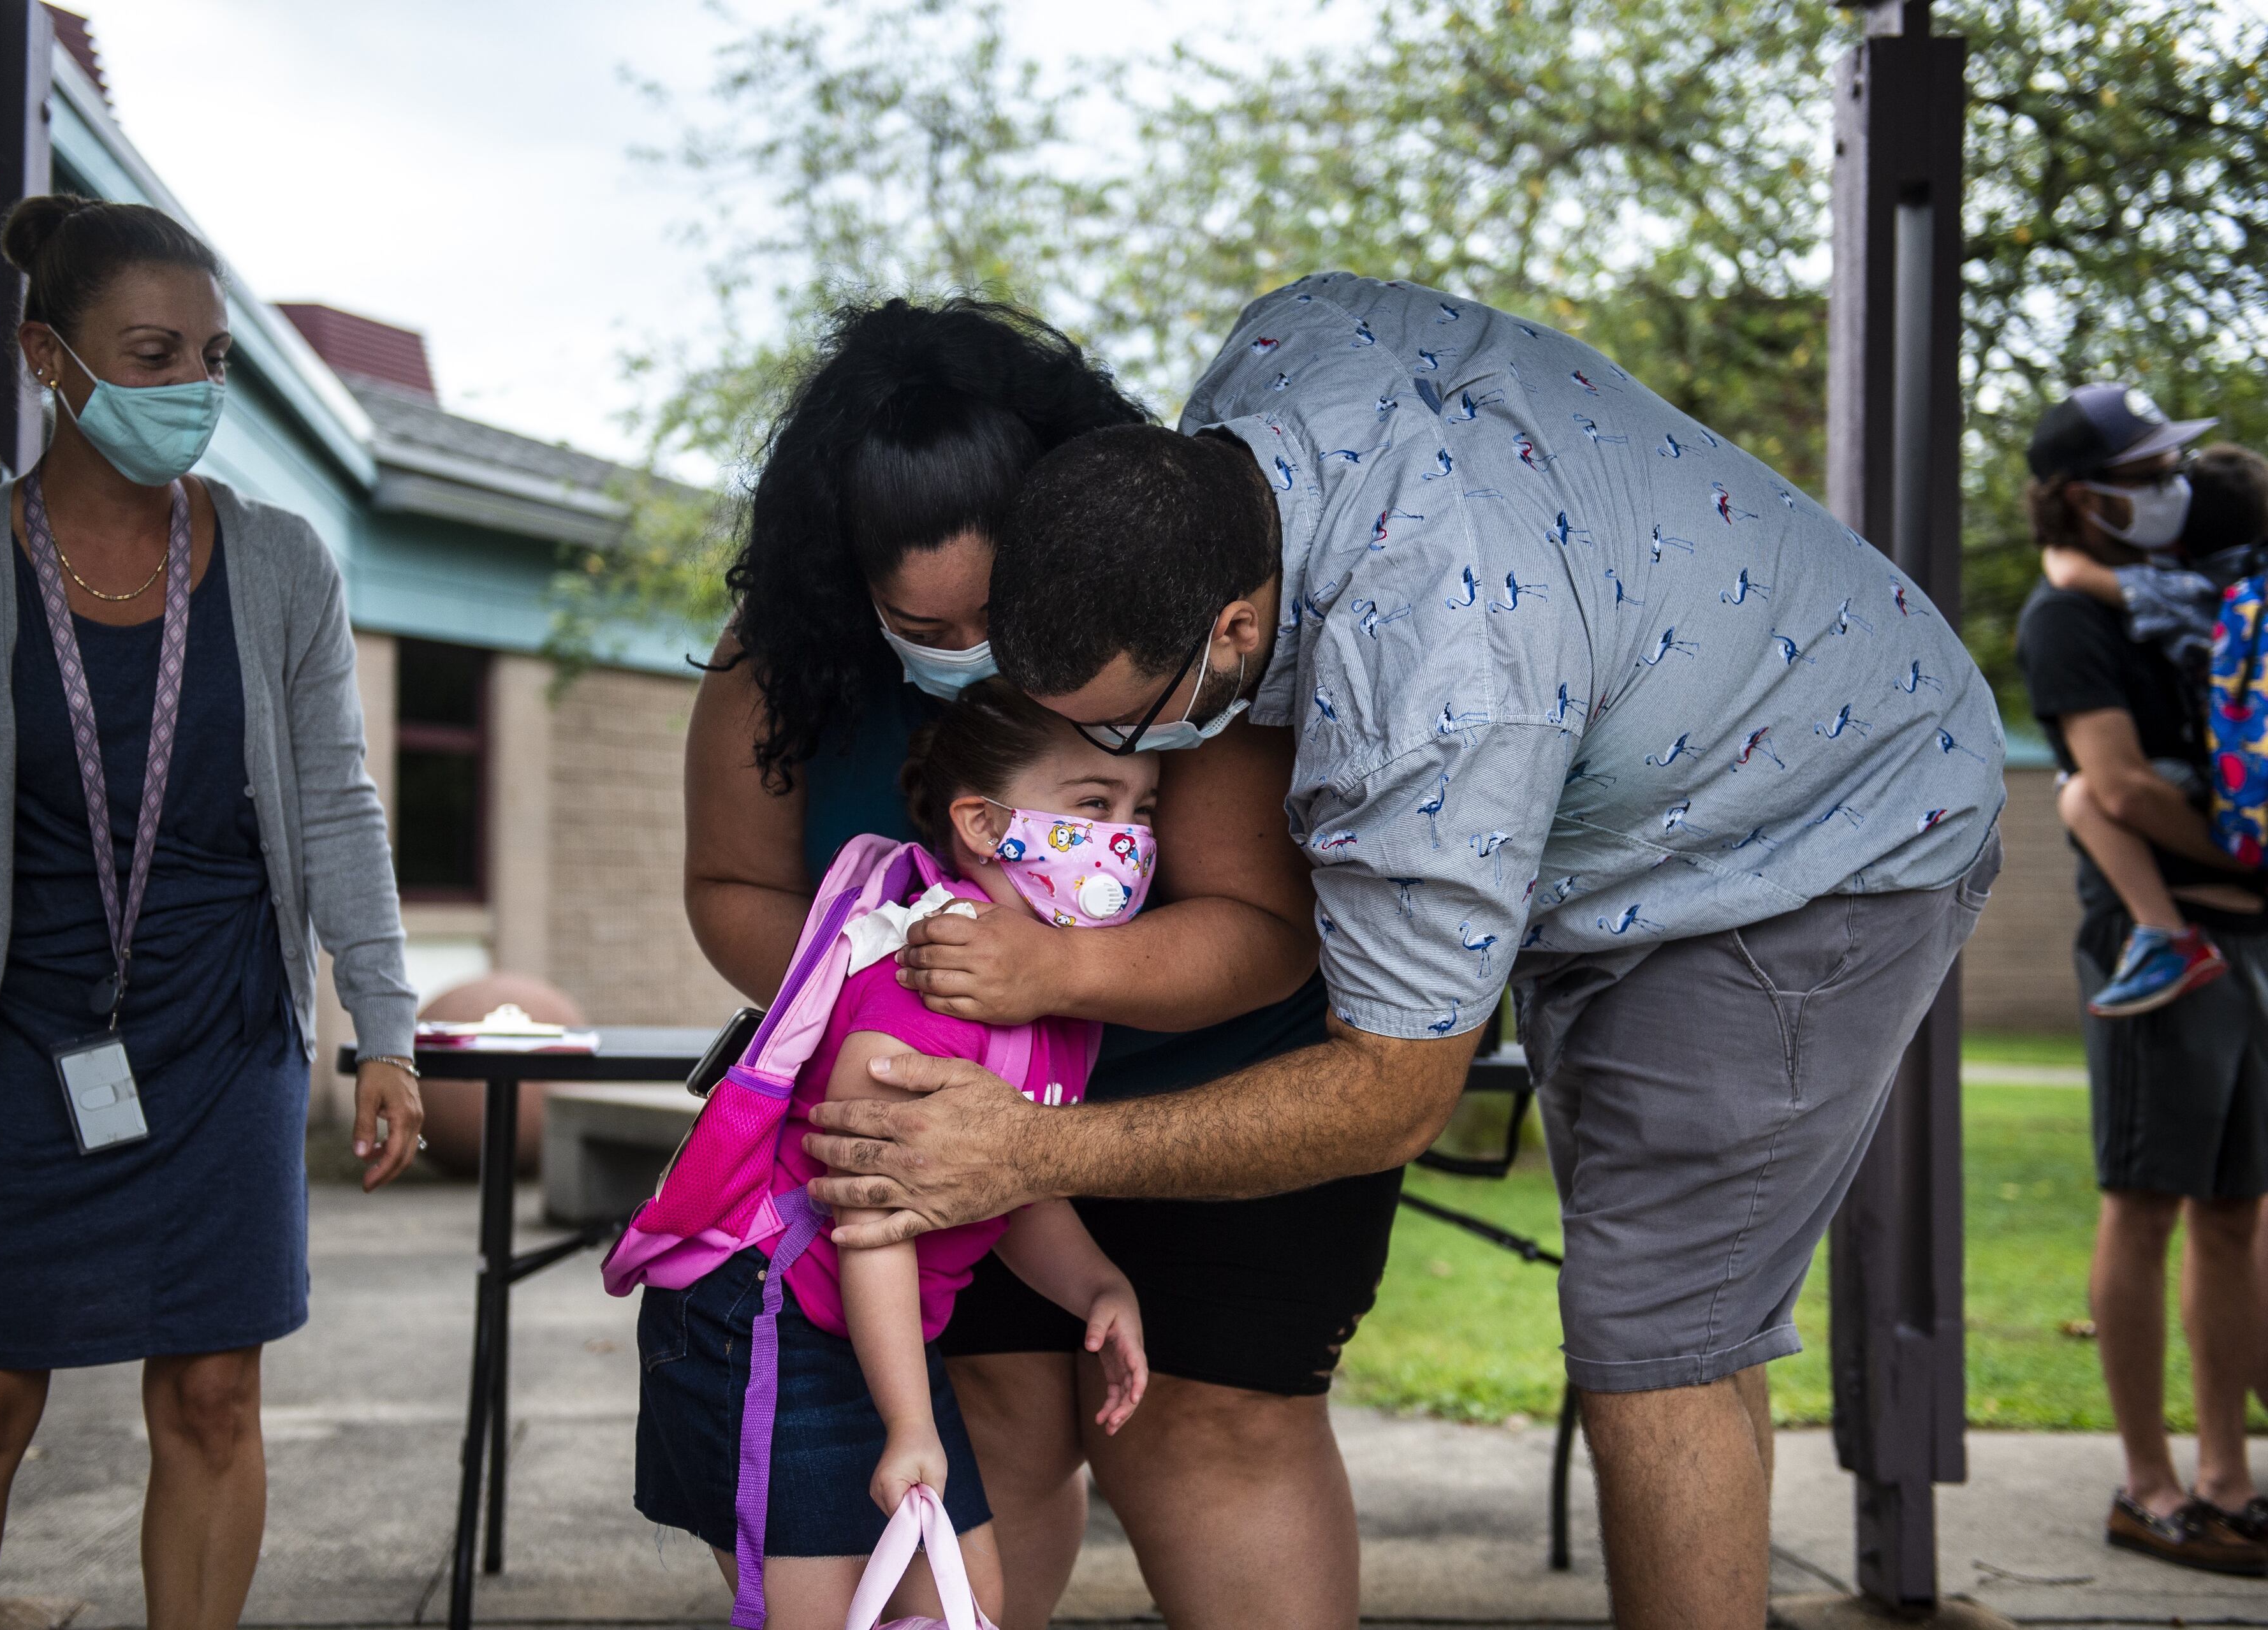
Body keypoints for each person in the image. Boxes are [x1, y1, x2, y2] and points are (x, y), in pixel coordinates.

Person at [803, 272, 2008, 1630]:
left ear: (1236, 632)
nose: (1135, 766)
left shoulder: (1433, 711)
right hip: (1676, 741)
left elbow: (1393, 1091)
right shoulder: (1275, 345)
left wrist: (1025, 1154)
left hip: (1816, 827)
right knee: (1675, 1318)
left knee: (1659, 1331)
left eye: (1134, 734)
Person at [682, 298, 1384, 1630]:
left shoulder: (1164, 626)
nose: (962, 659)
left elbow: (1261, 924)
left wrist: (1047, 976)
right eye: (918, 625)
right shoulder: (784, 660)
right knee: (985, 1409)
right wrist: (884, 979)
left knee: (1200, 1421)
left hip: (1210, 1093)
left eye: (994, 617)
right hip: (936, 1104)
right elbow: (730, 888)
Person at [0, 195, 421, 1629]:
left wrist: (383, 1024)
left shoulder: (281, 569)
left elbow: (337, 803)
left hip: (224, 1036)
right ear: (48, 355)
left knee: (214, 1398)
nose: (188, 391)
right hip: (21, 1049)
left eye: (209, 361)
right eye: (149, 355)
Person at [640, 679, 1150, 1627]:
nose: (1128, 839)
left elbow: (1002, 1175)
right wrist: (911, 1424)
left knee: (964, 1605)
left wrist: (1097, 1285)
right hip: (768, 1323)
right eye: (1093, 804)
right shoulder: (921, 991)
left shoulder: (1051, 998)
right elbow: (872, 1215)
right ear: (983, 823)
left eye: (1141, 809)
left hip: (875, 1339)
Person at [2017, 386, 2267, 1573]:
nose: (2168, 482)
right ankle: (2148, 1482)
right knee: (2149, 1202)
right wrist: (2253, 847)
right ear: (2084, 492)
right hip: (2161, 945)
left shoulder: (2219, 592)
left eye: (2175, 461)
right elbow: (2115, 790)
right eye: (2144, 467)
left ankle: (2227, 1476)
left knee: (2236, 1213)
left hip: (2257, 942)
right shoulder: (2067, 620)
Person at [2035, 437, 2268, 1015]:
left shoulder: (2186, 590)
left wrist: (2058, 554)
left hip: (2230, 789)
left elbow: (2078, 577)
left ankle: (2163, 934)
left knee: (2087, 791)